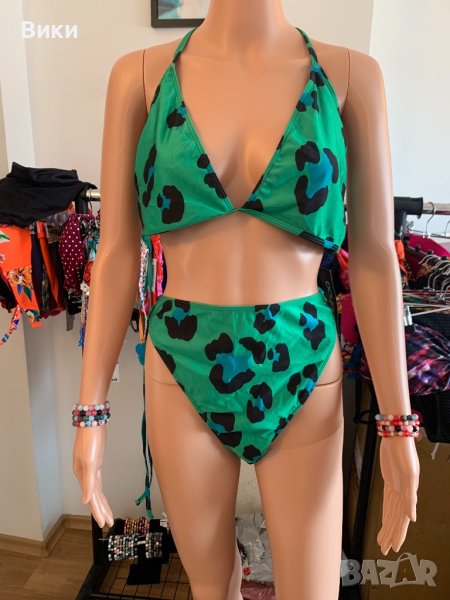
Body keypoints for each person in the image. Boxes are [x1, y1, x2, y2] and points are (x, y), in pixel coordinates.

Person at [73, 1, 420, 598]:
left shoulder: (351, 75)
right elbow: (116, 253)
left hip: (302, 364)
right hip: (182, 365)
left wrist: (398, 424)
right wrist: (90, 412)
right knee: (212, 589)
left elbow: (372, 256)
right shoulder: (139, 76)